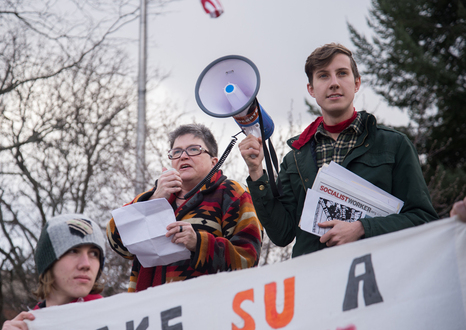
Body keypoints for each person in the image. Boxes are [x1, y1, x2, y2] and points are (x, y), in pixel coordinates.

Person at [239, 43, 438, 258]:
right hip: (314, 280)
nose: (334, 83)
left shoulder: (394, 144)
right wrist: (257, 172)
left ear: (356, 83)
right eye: (323, 76)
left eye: (342, 73)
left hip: (378, 276)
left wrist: (362, 228)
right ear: (311, 89)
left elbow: (422, 219)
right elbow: (282, 234)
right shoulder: (295, 157)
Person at [107, 124, 262, 292]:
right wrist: (153, 200)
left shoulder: (233, 193)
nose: (183, 156)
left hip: (205, 309)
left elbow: (248, 259)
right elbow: (116, 242)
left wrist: (199, 243)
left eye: (194, 149)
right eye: (177, 152)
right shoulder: (154, 196)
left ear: (214, 162)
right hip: (150, 310)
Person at [2, 214, 106, 330]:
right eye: (73, 251)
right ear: (48, 263)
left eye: (94, 254)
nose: (86, 264)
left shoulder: (113, 318)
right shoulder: (27, 325)